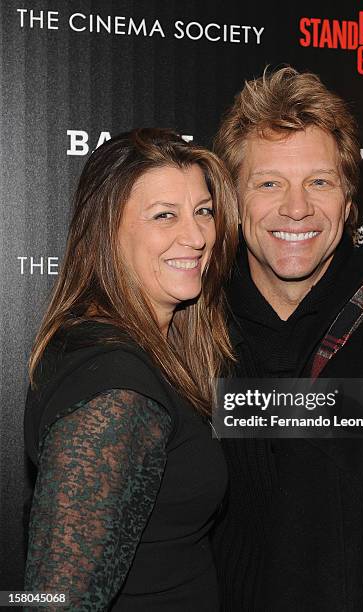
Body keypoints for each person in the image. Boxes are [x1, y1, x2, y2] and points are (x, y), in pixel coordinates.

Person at [211, 67, 363, 611]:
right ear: (232, 200)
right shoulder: (191, 331)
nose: (296, 207)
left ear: (349, 202)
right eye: (269, 182)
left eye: (319, 182)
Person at [23, 128, 238, 611]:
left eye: (203, 211)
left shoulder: (142, 349)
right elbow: (52, 600)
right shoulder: (116, 388)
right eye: (165, 216)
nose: (198, 236)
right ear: (106, 232)